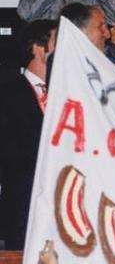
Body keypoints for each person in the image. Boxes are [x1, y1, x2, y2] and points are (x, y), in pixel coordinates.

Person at [0, 20, 56, 250]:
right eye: (57, 43)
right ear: (38, 48)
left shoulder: (67, 91)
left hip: (60, 210)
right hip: (24, 210)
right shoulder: (7, 95)